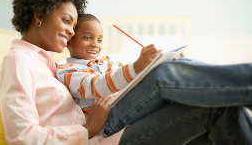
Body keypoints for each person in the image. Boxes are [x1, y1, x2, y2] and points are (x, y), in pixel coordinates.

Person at [0, 0, 252, 145]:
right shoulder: (19, 61)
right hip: (100, 135)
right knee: (164, 74)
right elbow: (22, 139)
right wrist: (87, 128)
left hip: (107, 131)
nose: (71, 32)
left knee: (220, 108)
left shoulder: (44, 62)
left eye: (74, 26)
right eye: (66, 21)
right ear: (38, 15)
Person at [56, 13, 252, 144]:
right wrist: (137, 66)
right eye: (88, 37)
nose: (95, 45)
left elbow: (133, 83)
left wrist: (158, 64)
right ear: (70, 39)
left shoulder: (107, 61)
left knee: (172, 67)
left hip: (126, 108)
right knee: (163, 74)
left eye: (99, 40)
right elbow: (97, 85)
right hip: (108, 119)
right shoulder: (67, 70)